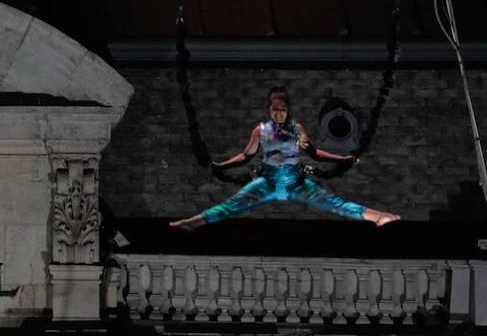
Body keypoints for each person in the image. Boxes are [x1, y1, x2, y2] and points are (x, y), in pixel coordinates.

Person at [169, 87, 401, 230]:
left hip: (296, 183)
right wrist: (220, 165)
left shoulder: (296, 129)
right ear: (269, 110)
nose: (279, 113)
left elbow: (315, 153)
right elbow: (245, 156)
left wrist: (344, 159)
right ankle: (193, 223)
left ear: (288, 109)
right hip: (267, 182)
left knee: (335, 204)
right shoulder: (260, 130)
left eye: (282, 109)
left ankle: (378, 216)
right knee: (232, 205)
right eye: (274, 109)